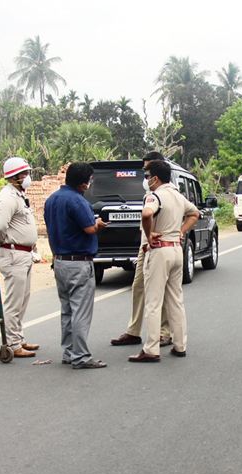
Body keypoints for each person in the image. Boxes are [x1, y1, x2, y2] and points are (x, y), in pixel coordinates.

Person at [128, 160, 199, 362]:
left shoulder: (154, 196)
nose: (146, 180)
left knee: (153, 301)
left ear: (155, 178)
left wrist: (149, 234)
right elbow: (195, 213)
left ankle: (151, 349)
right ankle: (180, 345)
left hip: (159, 251)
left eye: (147, 176)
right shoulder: (178, 196)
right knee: (176, 300)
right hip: (176, 250)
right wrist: (180, 232)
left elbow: (147, 213)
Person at [44, 162, 109, 369]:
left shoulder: (52, 200)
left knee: (67, 310)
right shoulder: (78, 202)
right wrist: (98, 224)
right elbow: (89, 229)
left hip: (60, 260)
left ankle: (69, 351)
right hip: (79, 262)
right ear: (83, 183)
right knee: (80, 310)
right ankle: (81, 356)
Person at [110, 151, 172, 349]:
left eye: (149, 169)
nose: (145, 174)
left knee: (160, 291)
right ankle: (133, 331)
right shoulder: (149, 190)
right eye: (144, 169)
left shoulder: (168, 189)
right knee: (138, 287)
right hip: (145, 244)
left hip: (160, 245)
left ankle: (164, 333)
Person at [0, 156, 40, 358]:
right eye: (25, 174)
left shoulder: (19, 195)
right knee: (14, 301)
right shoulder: (8, 198)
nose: (27, 177)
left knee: (23, 299)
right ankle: (12, 343)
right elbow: (0, 227)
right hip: (13, 253)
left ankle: (18, 338)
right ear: (14, 176)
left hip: (23, 253)